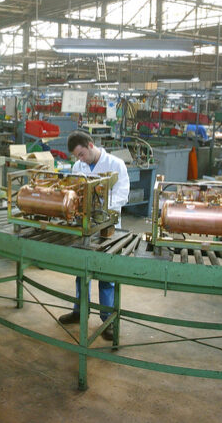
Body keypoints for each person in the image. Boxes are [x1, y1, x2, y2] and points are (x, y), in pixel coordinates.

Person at [57, 130, 130, 341]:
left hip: (108, 228)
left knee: (106, 275)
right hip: (84, 226)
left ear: (90, 145)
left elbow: (121, 196)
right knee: (81, 270)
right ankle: (80, 311)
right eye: (76, 156)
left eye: (81, 154)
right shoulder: (78, 167)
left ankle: (108, 319)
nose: (80, 159)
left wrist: (98, 208)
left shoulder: (116, 165)